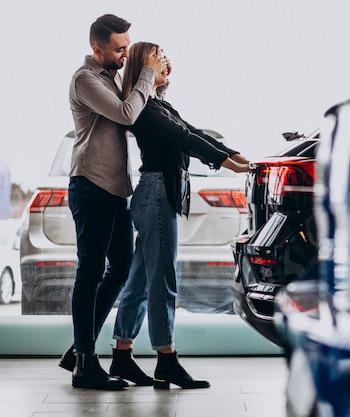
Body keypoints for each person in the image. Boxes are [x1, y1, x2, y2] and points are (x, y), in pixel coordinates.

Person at [111, 41, 251, 390]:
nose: (166, 62)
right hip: (157, 195)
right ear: (144, 67)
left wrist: (235, 157)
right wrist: (227, 162)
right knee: (162, 280)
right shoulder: (146, 109)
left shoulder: (160, 104)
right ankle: (166, 360)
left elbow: (194, 132)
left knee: (142, 280)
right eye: (158, 58)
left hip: (157, 195)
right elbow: (185, 137)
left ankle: (122, 354)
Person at [61, 14, 166, 390]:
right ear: (97, 48)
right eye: (119, 48)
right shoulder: (85, 79)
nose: (125, 54)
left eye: (127, 47)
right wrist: (146, 76)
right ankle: (84, 366)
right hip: (91, 186)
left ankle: (78, 349)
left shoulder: (111, 79)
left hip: (114, 189)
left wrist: (158, 83)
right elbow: (125, 112)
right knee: (89, 273)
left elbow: (136, 115)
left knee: (120, 269)